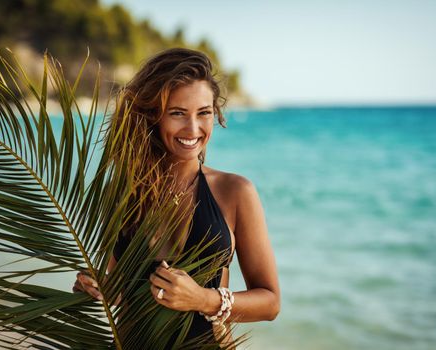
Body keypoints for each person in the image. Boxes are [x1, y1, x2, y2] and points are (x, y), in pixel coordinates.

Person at [72, 48, 280, 348]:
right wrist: (95, 287)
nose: (193, 129)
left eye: (204, 113)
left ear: (216, 114)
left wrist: (203, 299)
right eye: (178, 113)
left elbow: (270, 302)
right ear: (153, 115)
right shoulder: (124, 192)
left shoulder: (235, 192)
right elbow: (121, 291)